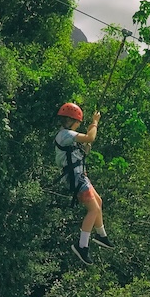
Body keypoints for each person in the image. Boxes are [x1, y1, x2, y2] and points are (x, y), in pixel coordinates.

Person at [55, 102, 114, 264]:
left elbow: (85, 146)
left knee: (98, 202)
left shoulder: (68, 136)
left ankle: (101, 236)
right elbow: (90, 137)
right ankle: (82, 246)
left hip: (80, 175)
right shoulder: (65, 135)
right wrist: (94, 122)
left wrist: (85, 146)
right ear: (73, 121)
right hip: (75, 177)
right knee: (93, 209)